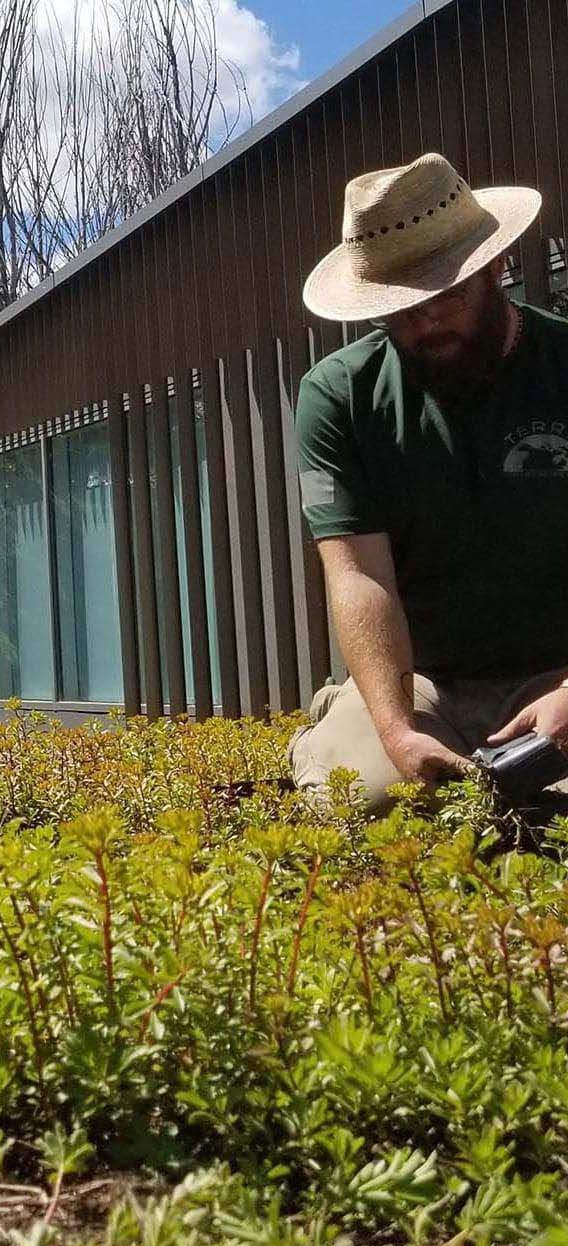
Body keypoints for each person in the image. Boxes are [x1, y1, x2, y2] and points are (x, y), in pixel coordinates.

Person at [288, 151, 568, 816]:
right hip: (423, 684)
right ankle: (342, 716)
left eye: (444, 297)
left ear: (493, 267)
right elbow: (359, 576)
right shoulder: (338, 396)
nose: (425, 323)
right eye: (399, 309)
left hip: (560, 671)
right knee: (373, 798)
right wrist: (395, 727)